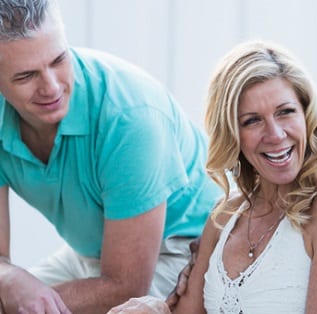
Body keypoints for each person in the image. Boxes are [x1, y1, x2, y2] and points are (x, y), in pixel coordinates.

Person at [109, 40, 317, 313]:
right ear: (232, 134)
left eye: (285, 112)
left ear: (306, 115)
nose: (276, 135)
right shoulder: (224, 215)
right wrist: (156, 308)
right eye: (252, 120)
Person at [0, 0, 221, 312]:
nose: (51, 87)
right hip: (95, 250)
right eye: (25, 76)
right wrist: (7, 278)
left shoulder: (130, 117)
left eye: (59, 59)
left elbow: (126, 286)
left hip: (184, 248)